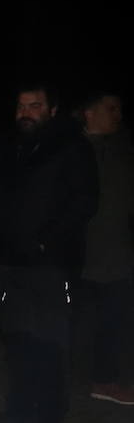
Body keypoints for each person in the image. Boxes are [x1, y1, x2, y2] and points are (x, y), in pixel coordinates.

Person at [0, 84, 98, 423]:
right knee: (17, 338)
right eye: (21, 106)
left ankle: (47, 418)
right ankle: (18, 411)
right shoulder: (14, 147)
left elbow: (84, 202)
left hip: (50, 264)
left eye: (34, 106)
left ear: (52, 109)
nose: (26, 112)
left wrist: (47, 240)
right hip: (12, 261)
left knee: (50, 341)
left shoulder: (71, 147)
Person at [78, 92, 134, 406]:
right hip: (82, 251)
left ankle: (106, 378)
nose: (117, 114)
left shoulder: (123, 149)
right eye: (110, 108)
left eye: (119, 108)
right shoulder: (74, 148)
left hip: (117, 252)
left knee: (116, 318)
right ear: (89, 112)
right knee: (80, 319)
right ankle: (85, 377)